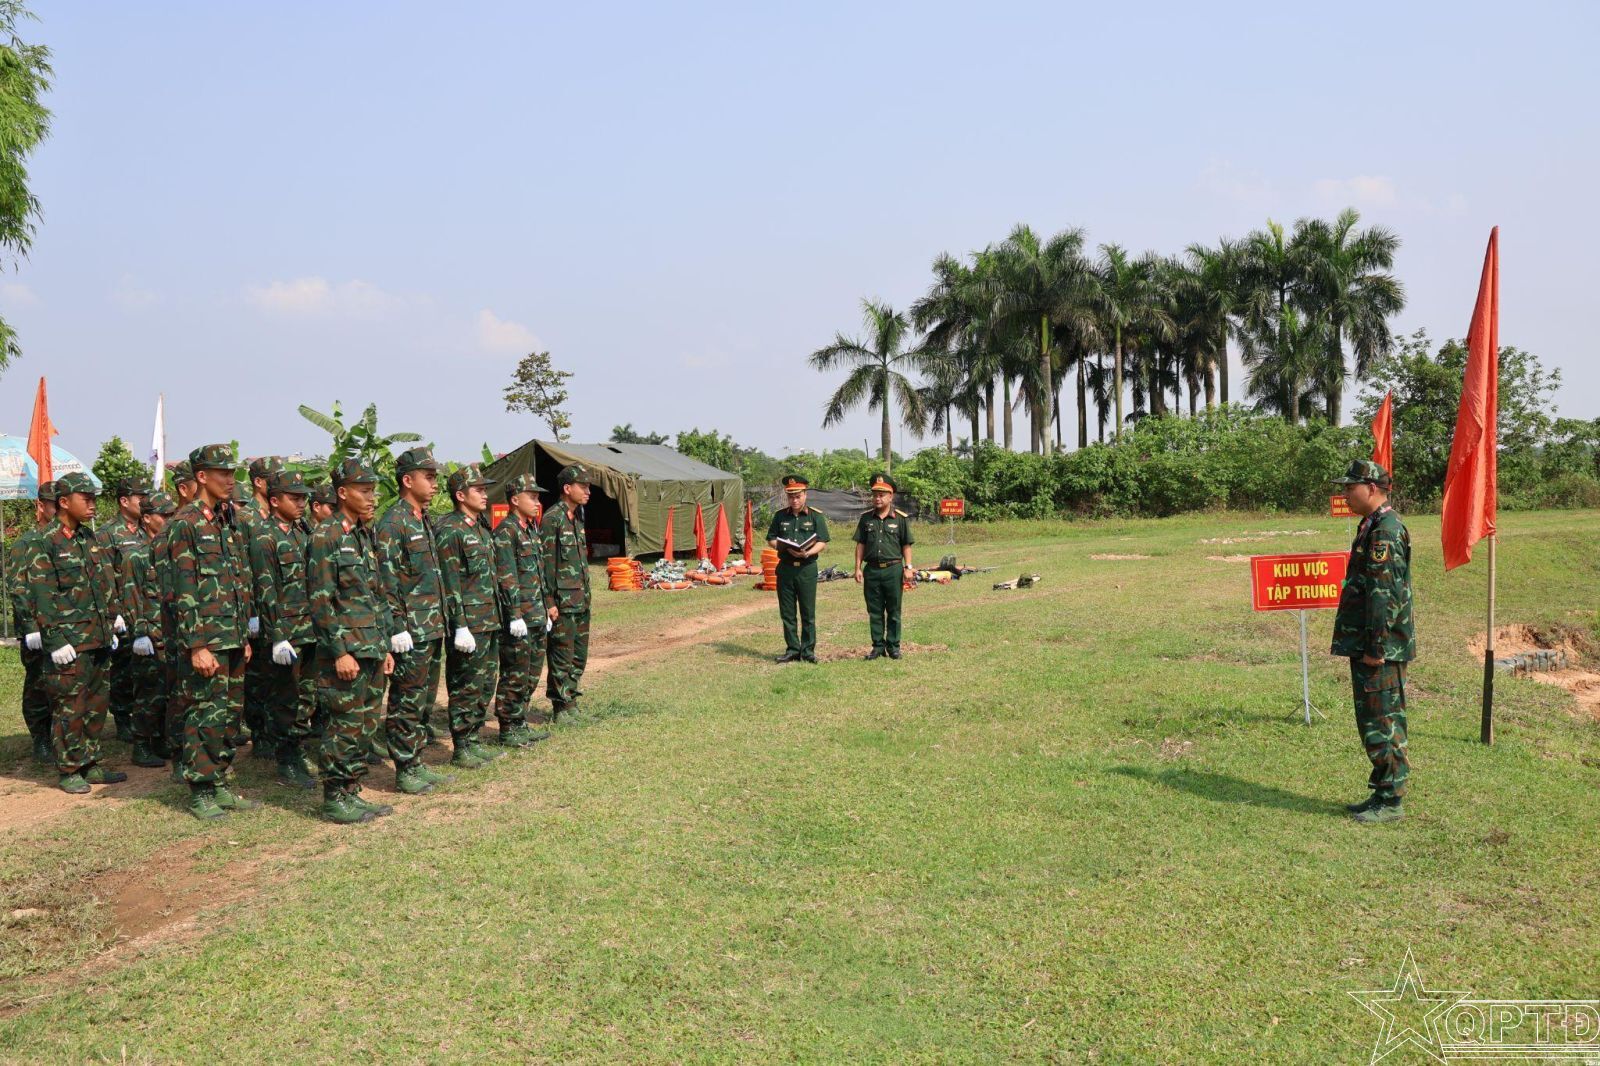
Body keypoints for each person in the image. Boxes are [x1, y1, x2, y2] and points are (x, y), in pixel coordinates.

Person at [21, 471, 127, 793]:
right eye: (87, 498)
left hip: (97, 637)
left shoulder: (88, 537)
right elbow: (41, 594)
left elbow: (103, 582)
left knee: (96, 704)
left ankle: (90, 762)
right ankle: (69, 769)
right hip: (69, 642)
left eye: (94, 498)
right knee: (70, 707)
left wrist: (112, 619)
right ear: (64, 502)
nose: (93, 504)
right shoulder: (44, 541)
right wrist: (54, 640)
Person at [169, 444, 258, 820]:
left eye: (232, 472)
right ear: (202, 477)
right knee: (205, 713)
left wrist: (245, 634)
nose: (230, 479)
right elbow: (183, 589)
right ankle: (201, 790)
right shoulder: (185, 523)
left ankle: (219, 780)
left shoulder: (228, 519)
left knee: (229, 715)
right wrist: (197, 645)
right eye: (223, 473)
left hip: (232, 636)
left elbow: (239, 579)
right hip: (207, 639)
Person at [307, 458, 396, 824]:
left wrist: (385, 645)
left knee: (365, 724)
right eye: (365, 490)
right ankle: (334, 797)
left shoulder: (362, 534)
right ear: (343, 493)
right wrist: (339, 652)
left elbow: (376, 595)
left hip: (370, 645)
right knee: (343, 725)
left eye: (373, 490)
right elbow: (321, 601)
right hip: (346, 652)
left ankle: (351, 789)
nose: (372, 497)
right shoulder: (326, 536)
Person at [1330, 459, 1416, 824]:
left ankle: (1391, 800)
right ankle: (1382, 791)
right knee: (1372, 720)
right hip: (1370, 644)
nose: (1345, 494)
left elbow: (1384, 595)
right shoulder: (1373, 525)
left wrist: (1375, 648)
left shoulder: (1386, 532)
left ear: (1371, 488)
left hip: (1379, 649)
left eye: (1350, 487)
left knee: (1384, 722)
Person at [375, 447, 453, 792]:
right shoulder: (393, 523)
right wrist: (396, 629)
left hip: (431, 626)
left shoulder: (423, 518)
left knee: (422, 701)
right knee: (406, 701)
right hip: (411, 631)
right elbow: (385, 581)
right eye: (429, 477)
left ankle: (416, 761)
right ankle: (405, 769)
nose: (435, 484)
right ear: (408, 480)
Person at [248, 471, 322, 790]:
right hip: (287, 633)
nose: (302, 503)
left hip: (310, 628)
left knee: (306, 696)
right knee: (285, 699)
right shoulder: (264, 537)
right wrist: (277, 636)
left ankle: (298, 751)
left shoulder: (303, 532)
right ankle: (287, 760)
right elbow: (265, 590)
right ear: (275, 501)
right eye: (295, 498)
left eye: (304, 497)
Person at [434, 464, 506, 767]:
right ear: (460, 495)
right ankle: (462, 746)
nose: (485, 494)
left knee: (485, 683)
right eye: (479, 490)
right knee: (465, 685)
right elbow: (449, 582)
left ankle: (473, 738)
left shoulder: (480, 527)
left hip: (489, 618)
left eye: (485, 489)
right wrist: (459, 625)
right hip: (469, 624)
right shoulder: (450, 530)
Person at [120, 491, 178, 768]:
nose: (169, 519)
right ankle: (141, 744)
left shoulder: (172, 550)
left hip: (171, 634)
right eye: (163, 515)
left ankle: (159, 739)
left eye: (171, 514)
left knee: (168, 693)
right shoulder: (136, 555)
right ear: (146, 519)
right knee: (148, 694)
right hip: (150, 636)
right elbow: (131, 596)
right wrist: (140, 632)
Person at [493, 473, 549, 745]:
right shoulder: (507, 531)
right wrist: (514, 615)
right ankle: (508, 727)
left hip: (536, 613)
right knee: (515, 673)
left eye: (538, 497)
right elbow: (507, 577)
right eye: (533, 497)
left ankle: (521, 721)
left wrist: (546, 608)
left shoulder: (530, 529)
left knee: (531, 673)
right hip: (520, 617)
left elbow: (537, 573)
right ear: (515, 500)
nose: (537, 502)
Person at [97, 475, 150, 742]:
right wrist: (113, 612)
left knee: (146, 668)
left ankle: (144, 715)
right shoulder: (107, 533)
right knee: (123, 668)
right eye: (141, 497)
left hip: (147, 608)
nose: (145, 501)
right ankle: (122, 716)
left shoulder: (147, 528)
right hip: (122, 611)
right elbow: (104, 576)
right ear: (124, 501)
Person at [239, 456, 285, 760]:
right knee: (258, 676)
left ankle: (277, 730)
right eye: (274, 477)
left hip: (280, 606)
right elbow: (242, 566)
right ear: (258, 482)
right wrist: (250, 613)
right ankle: (260, 734)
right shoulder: (246, 517)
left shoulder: (280, 514)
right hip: (256, 607)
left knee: (279, 675)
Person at [10, 479, 58, 764]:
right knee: (39, 683)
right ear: (40, 506)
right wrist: (30, 627)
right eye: (54, 505)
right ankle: (40, 738)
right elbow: (19, 588)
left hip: (64, 625)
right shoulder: (26, 544)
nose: (59, 509)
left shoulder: (63, 540)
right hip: (37, 628)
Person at [542, 464, 593, 721]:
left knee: (578, 655)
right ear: (567, 488)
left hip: (580, 599)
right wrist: (549, 601)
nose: (588, 491)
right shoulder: (552, 519)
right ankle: (560, 707)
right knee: (561, 654)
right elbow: (546, 564)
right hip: (562, 602)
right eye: (583, 486)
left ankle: (571, 701)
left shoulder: (578, 516)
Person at [159, 460, 198, 771]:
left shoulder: (210, 524)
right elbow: (169, 589)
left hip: (206, 625)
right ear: (184, 489)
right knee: (181, 691)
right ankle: (178, 753)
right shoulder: (174, 529)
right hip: (181, 625)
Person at [766, 474, 829, 663]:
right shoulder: (780, 516)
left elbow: (822, 541)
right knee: (787, 612)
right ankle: (793, 649)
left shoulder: (815, 516)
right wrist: (782, 547)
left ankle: (808, 651)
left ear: (805, 495)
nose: (794, 500)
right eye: (791, 496)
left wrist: (807, 553)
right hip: (785, 569)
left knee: (807, 612)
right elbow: (771, 538)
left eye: (798, 496)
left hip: (806, 569)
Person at [853, 473, 916, 660]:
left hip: (893, 570)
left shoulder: (900, 519)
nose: (877, 498)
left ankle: (894, 646)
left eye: (881, 495)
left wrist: (908, 567)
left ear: (891, 497)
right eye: (875, 495)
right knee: (874, 611)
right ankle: (878, 647)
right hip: (872, 570)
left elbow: (906, 545)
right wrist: (857, 568)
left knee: (894, 610)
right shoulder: (866, 519)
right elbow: (860, 544)